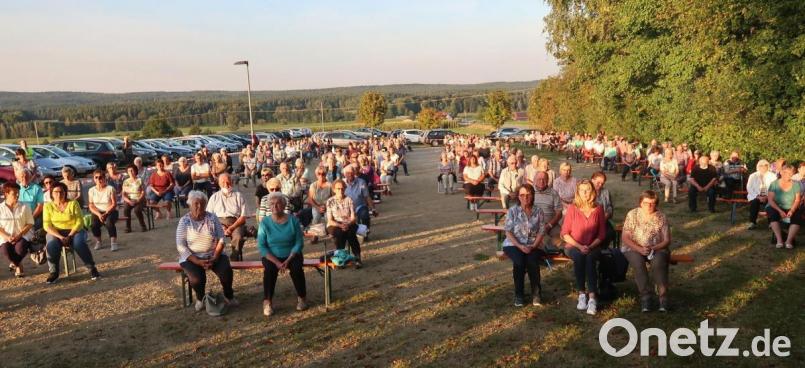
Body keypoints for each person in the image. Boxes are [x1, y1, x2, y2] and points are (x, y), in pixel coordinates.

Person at [176, 190, 238, 312]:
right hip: (192, 257)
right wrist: (198, 261)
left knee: (226, 271)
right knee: (196, 279)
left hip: (213, 254)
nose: (199, 206)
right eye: (196, 204)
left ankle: (229, 295)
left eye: (202, 204)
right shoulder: (184, 221)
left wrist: (215, 257)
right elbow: (181, 246)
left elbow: (221, 239)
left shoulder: (212, 217)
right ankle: (200, 298)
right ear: (190, 204)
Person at [257, 192, 307, 316]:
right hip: (272, 256)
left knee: (296, 268)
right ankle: (267, 301)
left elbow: (299, 242)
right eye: (272, 204)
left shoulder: (293, 220)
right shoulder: (265, 223)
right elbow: (262, 246)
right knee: (269, 269)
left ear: (284, 205)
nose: (275, 206)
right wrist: (277, 262)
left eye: (278, 203)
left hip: (292, 254)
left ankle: (302, 298)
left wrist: (288, 259)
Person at [561, 180, 606, 315]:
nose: (585, 193)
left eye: (587, 190)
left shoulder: (598, 209)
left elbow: (602, 234)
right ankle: (581, 294)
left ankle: (592, 298)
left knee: (590, 258)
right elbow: (564, 233)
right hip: (573, 245)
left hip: (593, 245)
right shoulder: (572, 208)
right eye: (582, 190)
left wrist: (590, 246)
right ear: (578, 192)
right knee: (580, 257)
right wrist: (580, 246)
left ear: (592, 191)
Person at [621, 190, 671, 312]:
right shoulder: (632, 214)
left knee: (658, 263)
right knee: (638, 264)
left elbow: (666, 240)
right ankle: (646, 296)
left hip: (656, 247)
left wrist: (653, 248)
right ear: (640, 203)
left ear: (656, 204)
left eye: (652, 203)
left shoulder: (661, 217)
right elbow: (625, 237)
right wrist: (639, 248)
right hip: (633, 247)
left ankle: (663, 297)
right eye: (646, 203)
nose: (649, 206)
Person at [43, 182, 99, 284]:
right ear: (51, 193)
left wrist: (70, 235)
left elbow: (79, 221)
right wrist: (60, 236)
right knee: (51, 244)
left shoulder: (73, 203)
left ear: (65, 193)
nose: (59, 194)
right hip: (56, 232)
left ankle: (92, 268)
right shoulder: (47, 206)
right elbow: (47, 225)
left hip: (74, 230)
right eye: (56, 192)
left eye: (61, 192)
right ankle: (54, 272)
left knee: (79, 244)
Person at [503, 183, 546, 307]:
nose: (525, 197)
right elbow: (508, 232)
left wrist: (533, 246)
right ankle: (519, 294)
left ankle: (536, 294)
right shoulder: (513, 211)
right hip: (513, 244)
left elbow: (541, 231)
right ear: (518, 196)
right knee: (519, 262)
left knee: (532, 261)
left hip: (533, 243)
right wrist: (519, 246)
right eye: (522, 195)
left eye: (528, 195)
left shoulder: (539, 211)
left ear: (532, 196)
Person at [206, 173, 247, 260]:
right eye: (223, 182)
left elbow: (243, 217)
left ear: (232, 182)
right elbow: (208, 216)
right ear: (219, 184)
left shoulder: (239, 196)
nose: (226, 185)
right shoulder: (214, 197)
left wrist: (231, 228)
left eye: (228, 182)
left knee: (238, 237)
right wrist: (220, 226)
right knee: (210, 235)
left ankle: (234, 256)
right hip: (218, 223)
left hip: (235, 223)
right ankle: (216, 257)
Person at [0, 183, 35, 278]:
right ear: (6, 194)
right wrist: (7, 237)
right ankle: (18, 264)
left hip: (23, 234)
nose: (17, 195)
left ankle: (16, 264)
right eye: (14, 193)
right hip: (6, 236)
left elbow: (30, 223)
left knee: (20, 249)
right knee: (6, 251)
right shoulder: (0, 208)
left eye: (18, 192)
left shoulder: (25, 206)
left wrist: (19, 235)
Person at [327, 179, 362, 268]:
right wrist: (340, 225)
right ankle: (341, 258)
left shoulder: (349, 199)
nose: (340, 191)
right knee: (339, 233)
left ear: (345, 188)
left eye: (342, 188)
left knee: (351, 234)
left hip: (349, 222)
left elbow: (354, 217)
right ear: (334, 189)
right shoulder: (330, 201)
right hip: (335, 223)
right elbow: (330, 220)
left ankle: (357, 257)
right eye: (338, 189)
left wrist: (348, 224)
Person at [766, 165, 801, 249]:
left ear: (792, 174)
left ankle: (788, 241)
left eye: (790, 173)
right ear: (781, 172)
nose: (787, 175)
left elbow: (797, 200)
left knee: (797, 216)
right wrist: (780, 211)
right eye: (785, 172)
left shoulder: (796, 185)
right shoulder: (774, 184)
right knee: (773, 214)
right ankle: (779, 240)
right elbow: (770, 200)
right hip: (776, 206)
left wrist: (792, 210)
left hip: (791, 207)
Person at [88, 169, 119, 251]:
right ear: (94, 179)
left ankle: (113, 242)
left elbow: (114, 204)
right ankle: (98, 241)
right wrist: (98, 214)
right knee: (94, 224)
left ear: (105, 178)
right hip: (97, 211)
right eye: (96, 177)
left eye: (101, 177)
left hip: (110, 210)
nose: (99, 179)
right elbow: (91, 204)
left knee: (109, 222)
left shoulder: (110, 189)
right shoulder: (91, 190)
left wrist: (106, 213)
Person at [532, 171, 563, 250]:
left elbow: (559, 213)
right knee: (541, 237)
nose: (542, 181)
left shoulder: (553, 193)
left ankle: (549, 247)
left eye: (544, 179)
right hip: (535, 224)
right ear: (534, 180)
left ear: (548, 180)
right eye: (539, 179)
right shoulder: (530, 192)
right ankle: (549, 247)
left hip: (552, 223)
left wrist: (549, 225)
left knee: (562, 236)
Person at [746, 160, 778, 230]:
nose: (763, 167)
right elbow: (749, 188)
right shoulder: (753, 176)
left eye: (765, 165)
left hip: (769, 196)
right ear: (758, 167)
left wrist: (767, 196)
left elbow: (775, 188)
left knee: (771, 203)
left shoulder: (772, 176)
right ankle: (752, 222)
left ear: (768, 166)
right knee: (754, 202)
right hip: (755, 196)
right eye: (761, 165)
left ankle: (771, 223)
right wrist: (758, 196)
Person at [121, 165, 147, 233]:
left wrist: (138, 200)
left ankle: (143, 225)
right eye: (129, 171)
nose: (131, 172)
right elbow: (123, 194)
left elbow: (143, 192)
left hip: (139, 199)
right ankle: (128, 227)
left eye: (132, 170)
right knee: (126, 209)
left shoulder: (140, 180)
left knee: (137, 210)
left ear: (135, 171)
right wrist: (129, 201)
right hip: (129, 199)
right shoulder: (126, 182)